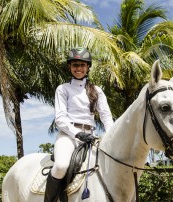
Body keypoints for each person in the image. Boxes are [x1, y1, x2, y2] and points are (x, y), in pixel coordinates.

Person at [44, 47, 114, 202]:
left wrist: (110, 135)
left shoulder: (97, 90)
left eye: (82, 65)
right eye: (75, 65)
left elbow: (106, 116)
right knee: (61, 165)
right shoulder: (63, 89)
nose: (78, 68)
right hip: (69, 136)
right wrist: (77, 133)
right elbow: (60, 118)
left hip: (91, 137)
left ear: (88, 67)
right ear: (70, 67)